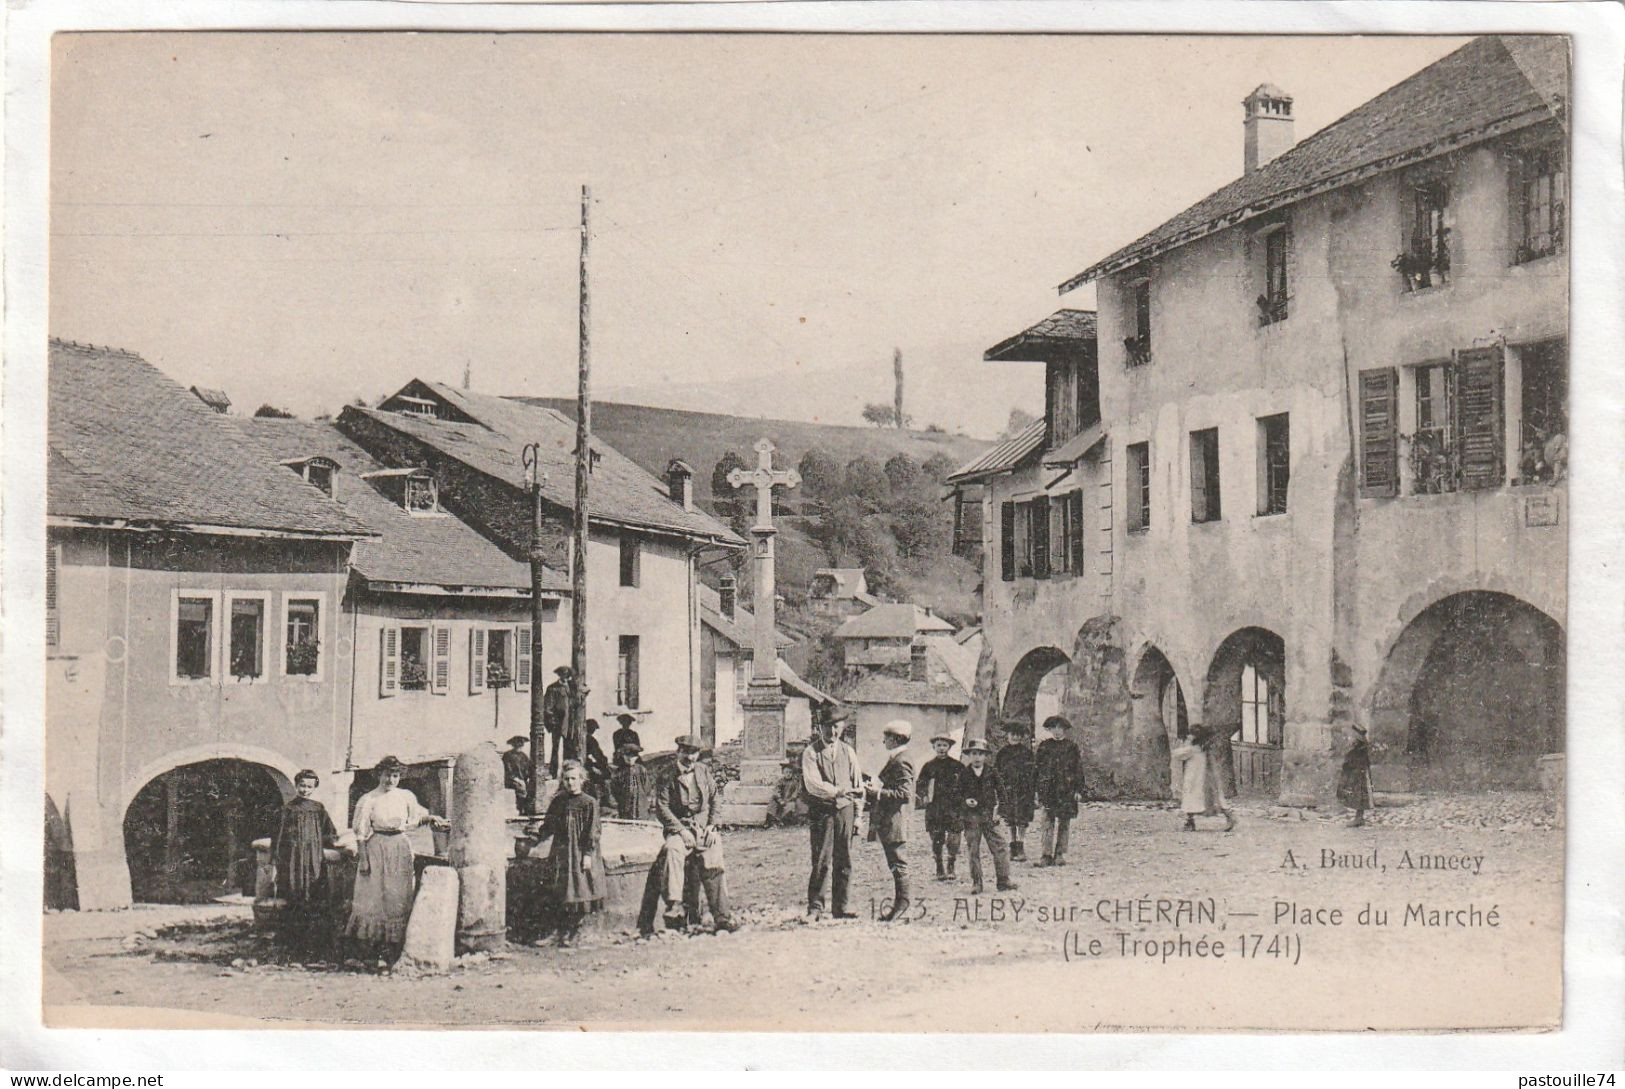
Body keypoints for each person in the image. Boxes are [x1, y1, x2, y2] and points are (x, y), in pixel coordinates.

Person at [344, 756, 449, 956]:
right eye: (386, 775)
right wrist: (364, 859)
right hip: (377, 847)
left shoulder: (406, 796)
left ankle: (394, 945)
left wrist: (431, 818)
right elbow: (360, 833)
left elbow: (415, 819)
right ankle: (370, 945)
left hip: (400, 846)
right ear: (378, 775)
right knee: (374, 894)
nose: (390, 780)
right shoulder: (368, 799)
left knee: (399, 893)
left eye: (395, 775)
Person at [653, 735, 727, 931]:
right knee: (672, 850)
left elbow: (715, 799)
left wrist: (713, 826)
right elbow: (662, 807)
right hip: (680, 828)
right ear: (678, 752)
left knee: (714, 853)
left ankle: (721, 914)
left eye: (693, 753)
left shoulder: (703, 772)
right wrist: (679, 830)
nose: (690, 757)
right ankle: (675, 905)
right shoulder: (666, 775)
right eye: (685, 752)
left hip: (703, 827)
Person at [801, 707, 864, 919]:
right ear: (819, 728)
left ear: (842, 727)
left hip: (845, 810)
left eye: (836, 727)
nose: (832, 732)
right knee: (821, 860)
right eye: (827, 728)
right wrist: (836, 791)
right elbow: (812, 784)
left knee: (844, 859)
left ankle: (841, 906)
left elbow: (858, 785)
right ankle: (815, 907)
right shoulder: (811, 753)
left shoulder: (849, 751)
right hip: (822, 812)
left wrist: (858, 816)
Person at [537, 760, 607, 947]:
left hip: (579, 853)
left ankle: (574, 932)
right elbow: (549, 825)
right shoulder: (559, 801)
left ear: (582, 780)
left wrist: (587, 855)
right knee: (560, 890)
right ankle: (557, 932)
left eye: (574, 779)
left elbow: (594, 830)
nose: (570, 783)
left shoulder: (589, 803)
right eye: (567, 779)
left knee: (579, 889)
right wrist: (535, 837)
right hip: (561, 852)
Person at [273, 769, 337, 952]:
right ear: (296, 785)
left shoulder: (318, 808)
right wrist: (277, 861)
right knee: (295, 894)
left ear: (314, 788)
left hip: (314, 858)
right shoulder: (287, 810)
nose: (305, 789)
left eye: (309, 786)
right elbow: (278, 837)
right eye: (302, 785)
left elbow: (329, 832)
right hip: (293, 859)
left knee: (315, 894)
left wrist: (333, 843)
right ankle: (293, 942)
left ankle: (315, 942)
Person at [866, 720, 916, 922]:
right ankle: (901, 904)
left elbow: (905, 794)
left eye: (886, 737)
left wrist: (878, 792)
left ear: (895, 739)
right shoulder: (897, 758)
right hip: (891, 820)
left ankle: (903, 904)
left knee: (898, 863)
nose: (883, 741)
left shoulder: (901, 760)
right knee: (895, 862)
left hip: (895, 820)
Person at [960, 738, 1016, 894]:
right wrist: (965, 801)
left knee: (1001, 847)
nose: (977, 757)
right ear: (969, 756)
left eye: (980, 754)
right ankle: (977, 883)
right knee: (973, 850)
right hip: (971, 818)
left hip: (989, 816)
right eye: (974, 753)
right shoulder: (964, 774)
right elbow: (956, 795)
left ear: (985, 756)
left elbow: (1002, 794)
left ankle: (1003, 881)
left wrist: (999, 812)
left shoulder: (992, 772)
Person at [1033, 716, 1085, 866]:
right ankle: (1046, 854)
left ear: (1064, 729)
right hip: (1048, 790)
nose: (1057, 731)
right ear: (1050, 729)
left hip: (1066, 790)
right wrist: (1036, 790)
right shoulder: (1044, 747)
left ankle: (1060, 853)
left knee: (1064, 822)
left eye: (1060, 727)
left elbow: (1078, 770)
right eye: (1053, 727)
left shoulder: (1071, 747)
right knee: (1047, 822)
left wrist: (1078, 790)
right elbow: (1037, 769)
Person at [915, 733, 964, 880]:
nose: (941, 748)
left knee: (954, 837)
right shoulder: (929, 766)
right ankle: (939, 867)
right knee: (937, 837)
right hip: (935, 807)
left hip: (953, 807)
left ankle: (951, 866)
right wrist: (923, 795)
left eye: (944, 745)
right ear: (934, 747)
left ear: (949, 747)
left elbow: (966, 783)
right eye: (938, 745)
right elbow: (920, 784)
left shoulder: (957, 765)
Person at [1173, 728, 1236, 832]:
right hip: (1205, 781)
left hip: (1194, 781)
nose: (1188, 736)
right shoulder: (1204, 750)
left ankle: (1190, 823)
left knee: (1191, 802)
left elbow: (1178, 754)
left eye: (1191, 735)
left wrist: (1182, 744)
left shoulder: (1192, 749)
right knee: (1215, 801)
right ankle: (1229, 816)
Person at [995, 722, 1037, 862]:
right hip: (1007, 790)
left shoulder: (1027, 753)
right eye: (1012, 734)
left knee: (1022, 819)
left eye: (1018, 735)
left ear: (1022, 737)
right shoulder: (1002, 753)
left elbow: (1032, 772)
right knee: (1010, 819)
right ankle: (1012, 846)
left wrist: (1032, 790)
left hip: (1023, 791)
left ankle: (1021, 846)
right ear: (1007, 736)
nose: (1015, 737)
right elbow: (997, 772)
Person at [1337, 723, 1374, 827]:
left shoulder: (1358, 750)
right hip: (1357, 775)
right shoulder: (1357, 749)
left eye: (1352, 737)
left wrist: (1348, 764)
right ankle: (1359, 817)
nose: (1350, 739)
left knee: (1360, 796)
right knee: (1358, 796)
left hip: (1359, 776)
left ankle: (1359, 818)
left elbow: (1354, 763)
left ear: (1357, 740)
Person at [542, 666, 579, 769]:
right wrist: (552, 721)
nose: (565, 677)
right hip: (558, 722)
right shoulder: (553, 688)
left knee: (569, 747)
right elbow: (548, 706)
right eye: (563, 675)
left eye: (567, 675)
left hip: (569, 723)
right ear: (559, 675)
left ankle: (567, 769)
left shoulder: (572, 688)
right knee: (555, 747)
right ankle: (553, 771)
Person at [610, 742, 652, 821]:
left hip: (640, 804)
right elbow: (614, 789)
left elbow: (647, 787)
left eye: (633, 756)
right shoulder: (619, 771)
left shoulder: (641, 769)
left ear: (636, 757)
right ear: (623, 756)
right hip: (625, 805)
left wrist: (647, 802)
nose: (630, 759)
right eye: (627, 756)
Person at [501, 736, 532, 814]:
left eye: (521, 744)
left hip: (523, 780)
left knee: (531, 788)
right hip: (511, 780)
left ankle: (527, 810)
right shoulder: (507, 755)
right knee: (520, 789)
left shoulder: (524, 756)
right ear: (514, 744)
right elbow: (508, 771)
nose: (520, 745)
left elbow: (528, 770)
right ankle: (520, 810)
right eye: (518, 744)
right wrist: (517, 780)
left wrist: (527, 778)